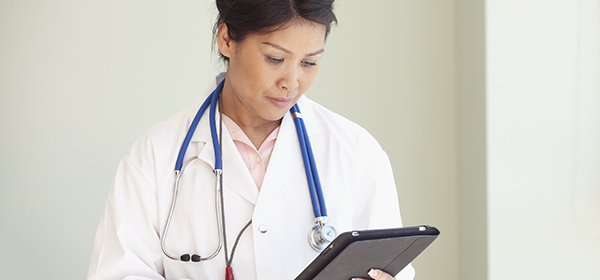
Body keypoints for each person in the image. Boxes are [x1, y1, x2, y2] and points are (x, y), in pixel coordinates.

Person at [87, 0, 415, 279]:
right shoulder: (154, 158)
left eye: (309, 62)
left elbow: (389, 269)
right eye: (275, 58)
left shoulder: (356, 153)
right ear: (227, 38)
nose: (292, 81)